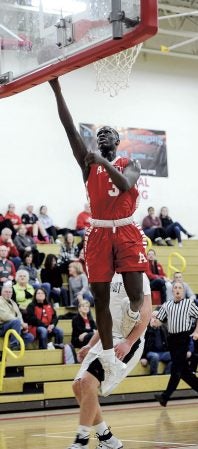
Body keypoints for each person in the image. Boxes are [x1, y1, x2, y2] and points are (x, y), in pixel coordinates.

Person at [49, 77, 148, 392]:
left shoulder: (129, 163)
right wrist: (57, 88)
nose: (103, 134)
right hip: (100, 232)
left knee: (134, 295)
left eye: (110, 133)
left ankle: (131, 322)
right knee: (101, 299)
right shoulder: (87, 163)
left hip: (127, 230)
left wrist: (102, 160)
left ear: (116, 142)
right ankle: (107, 356)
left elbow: (125, 186)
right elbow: (68, 128)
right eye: (99, 133)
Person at [67, 273, 151, 449]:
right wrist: (90, 344)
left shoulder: (138, 276)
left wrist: (128, 342)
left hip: (126, 340)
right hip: (106, 337)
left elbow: (146, 314)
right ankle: (107, 438)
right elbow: (107, 319)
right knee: (78, 385)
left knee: (88, 382)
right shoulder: (106, 275)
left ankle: (81, 440)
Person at [154, 281, 198, 407]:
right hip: (172, 340)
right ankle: (165, 397)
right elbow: (159, 320)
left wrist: (196, 331)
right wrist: (153, 321)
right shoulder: (167, 305)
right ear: (172, 291)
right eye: (175, 288)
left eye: (180, 288)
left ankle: (165, 396)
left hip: (183, 338)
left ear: (183, 291)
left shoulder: (189, 304)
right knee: (184, 372)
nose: (178, 290)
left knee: (176, 369)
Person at [0, 283, 34, 349]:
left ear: (12, 294)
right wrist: (21, 323)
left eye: (10, 292)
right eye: (6, 292)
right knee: (16, 321)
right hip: (2, 327)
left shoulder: (13, 302)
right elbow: (5, 316)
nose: (8, 293)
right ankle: (14, 345)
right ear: (1, 292)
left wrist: (23, 326)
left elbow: (19, 315)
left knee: (30, 337)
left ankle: (15, 347)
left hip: (12, 327)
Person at [141, 309, 171, 375]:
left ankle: (166, 373)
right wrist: (143, 358)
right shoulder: (146, 329)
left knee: (174, 355)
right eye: (153, 317)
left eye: (157, 317)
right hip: (150, 353)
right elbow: (143, 344)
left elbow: (169, 343)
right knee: (155, 356)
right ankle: (154, 375)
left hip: (162, 353)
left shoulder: (164, 328)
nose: (156, 319)